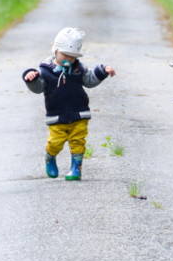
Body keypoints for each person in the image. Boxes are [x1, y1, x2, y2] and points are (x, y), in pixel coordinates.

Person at [22, 27, 116, 181]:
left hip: (79, 114)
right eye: (65, 55)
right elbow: (38, 88)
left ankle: (75, 168)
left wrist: (102, 71)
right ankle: (50, 156)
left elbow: (90, 80)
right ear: (55, 50)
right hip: (56, 116)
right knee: (55, 143)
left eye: (73, 57)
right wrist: (31, 78)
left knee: (78, 142)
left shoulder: (79, 69)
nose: (69, 59)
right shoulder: (45, 71)